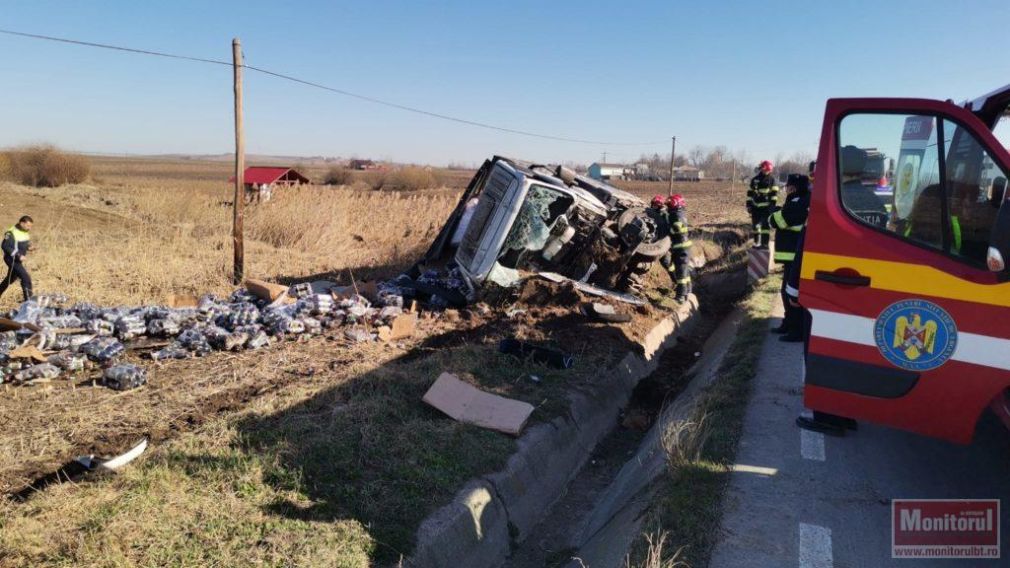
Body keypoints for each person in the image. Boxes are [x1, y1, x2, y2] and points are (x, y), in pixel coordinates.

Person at [769, 174, 810, 342]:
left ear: (794, 187)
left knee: (791, 293)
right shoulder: (801, 199)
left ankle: (796, 330)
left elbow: (780, 221)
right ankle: (788, 323)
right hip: (792, 254)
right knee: (787, 292)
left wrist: (773, 214)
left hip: (793, 254)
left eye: (788, 186)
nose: (786, 189)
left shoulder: (797, 201)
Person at [0, 215, 34, 302]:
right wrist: (18, 255)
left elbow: (21, 243)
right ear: (21, 223)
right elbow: (5, 246)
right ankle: (28, 302)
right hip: (11, 259)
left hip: (17, 260)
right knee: (26, 278)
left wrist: (29, 247)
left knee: (10, 279)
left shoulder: (24, 231)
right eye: (28, 225)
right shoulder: (11, 233)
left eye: (30, 226)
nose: (29, 228)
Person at [666, 194, 693, 303]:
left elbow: (676, 228)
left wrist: (667, 230)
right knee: (684, 273)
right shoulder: (680, 213)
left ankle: (680, 296)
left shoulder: (676, 215)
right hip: (683, 248)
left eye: (670, 204)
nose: (668, 206)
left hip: (681, 249)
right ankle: (688, 291)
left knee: (681, 273)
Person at [747, 160, 779, 248]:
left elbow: (774, 195)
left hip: (766, 208)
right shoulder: (754, 180)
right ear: (762, 169)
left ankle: (765, 244)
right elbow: (749, 194)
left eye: (768, 171)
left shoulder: (772, 180)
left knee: (765, 227)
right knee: (756, 226)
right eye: (765, 170)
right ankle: (756, 243)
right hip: (755, 207)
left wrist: (772, 206)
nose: (766, 172)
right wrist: (748, 205)